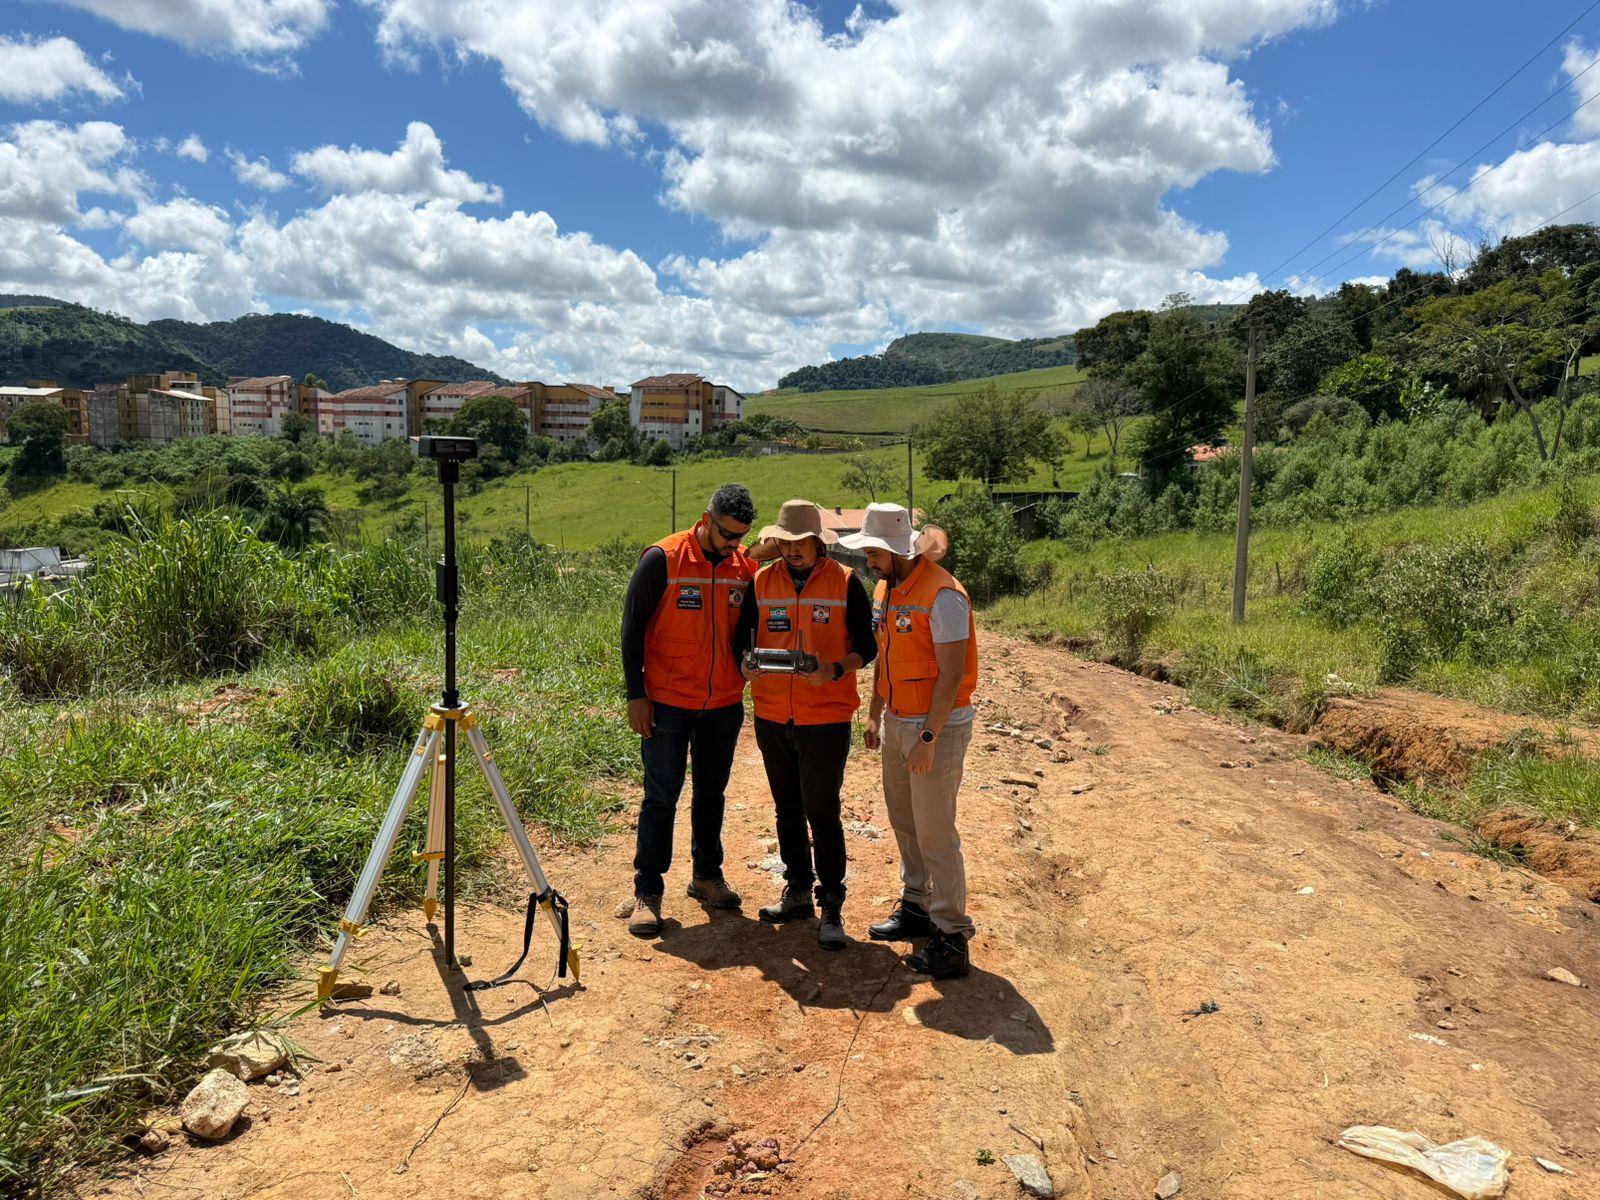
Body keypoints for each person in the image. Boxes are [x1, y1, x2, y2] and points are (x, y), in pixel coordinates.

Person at [839, 503, 979, 979]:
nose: (868, 560)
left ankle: (952, 935)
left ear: (898, 551)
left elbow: (951, 675)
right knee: (905, 821)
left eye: (874, 552)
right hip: (898, 721)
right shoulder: (886, 588)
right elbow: (885, 655)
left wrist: (928, 736)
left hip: (936, 726)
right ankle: (917, 906)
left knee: (936, 831)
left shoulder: (944, 596)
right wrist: (876, 714)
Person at [734, 499, 877, 951]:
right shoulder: (761, 581)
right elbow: (742, 641)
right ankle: (797, 890)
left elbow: (868, 647)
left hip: (826, 716)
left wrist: (833, 670)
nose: (793, 550)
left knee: (822, 809)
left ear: (818, 542)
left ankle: (831, 903)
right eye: (786, 542)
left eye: (801, 543)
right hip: (772, 713)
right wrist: (746, 665)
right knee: (787, 807)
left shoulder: (847, 582)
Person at [620, 483, 757, 938]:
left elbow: (748, 628)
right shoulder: (663, 558)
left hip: (723, 703)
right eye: (726, 534)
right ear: (705, 519)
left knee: (712, 793)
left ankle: (706, 877)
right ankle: (648, 891)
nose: (733, 543)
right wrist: (635, 695)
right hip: (667, 704)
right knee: (661, 796)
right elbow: (632, 627)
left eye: (740, 536)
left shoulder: (744, 569)